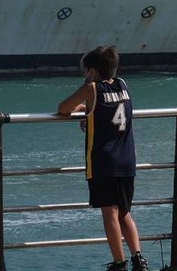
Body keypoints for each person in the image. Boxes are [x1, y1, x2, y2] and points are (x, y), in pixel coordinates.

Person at [58, 45, 150, 271]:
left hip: (103, 161)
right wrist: (88, 111)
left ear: (93, 71)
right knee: (125, 211)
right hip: (127, 159)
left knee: (109, 211)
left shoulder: (91, 88)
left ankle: (119, 263)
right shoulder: (123, 85)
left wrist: (85, 94)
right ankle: (138, 258)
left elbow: (63, 108)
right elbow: (107, 109)